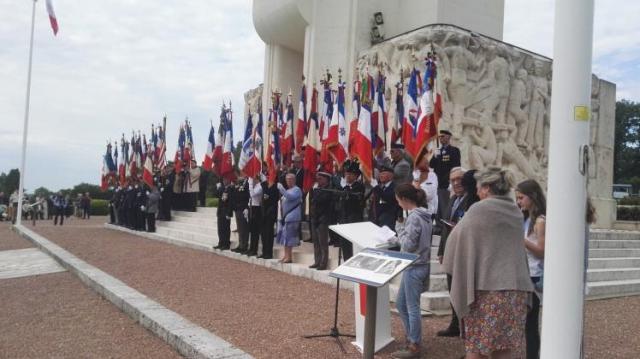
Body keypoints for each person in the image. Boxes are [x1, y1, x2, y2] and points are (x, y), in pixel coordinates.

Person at [443, 167, 534, 358]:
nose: (476, 192)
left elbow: (454, 240)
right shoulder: (516, 212)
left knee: (477, 348)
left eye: (478, 187)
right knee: (507, 349)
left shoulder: (478, 209)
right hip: (516, 291)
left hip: (486, 291)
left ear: (486, 188)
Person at [437, 168, 481, 337]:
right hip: (451, 251)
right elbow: (444, 227)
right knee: (452, 289)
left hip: (464, 252)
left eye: (459, 179)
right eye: (452, 180)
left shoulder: (472, 201)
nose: (456, 183)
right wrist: (442, 250)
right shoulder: (452, 199)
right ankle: (455, 324)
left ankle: (466, 326)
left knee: (463, 290)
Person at [390, 184, 433, 359]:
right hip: (418, 264)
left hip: (414, 265)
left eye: (398, 200)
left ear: (405, 199)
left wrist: (399, 229)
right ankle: (411, 338)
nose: (398, 203)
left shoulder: (414, 217)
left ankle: (414, 345)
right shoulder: (423, 214)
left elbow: (408, 246)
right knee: (401, 304)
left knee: (412, 307)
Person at [515, 179, 546, 359]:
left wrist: (521, 240)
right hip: (526, 273)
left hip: (535, 276)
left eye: (521, 198)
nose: (518, 202)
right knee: (528, 323)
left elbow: (542, 251)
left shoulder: (540, 221)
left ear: (532, 196)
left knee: (531, 324)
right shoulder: (525, 218)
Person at [429, 130, 461, 229]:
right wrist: (435, 156)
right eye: (440, 137)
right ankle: (438, 225)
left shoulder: (454, 150)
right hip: (437, 183)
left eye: (443, 136)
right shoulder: (439, 151)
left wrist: (450, 181)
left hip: (446, 183)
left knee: (445, 205)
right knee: (437, 205)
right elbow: (431, 165)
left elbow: (456, 166)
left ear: (448, 137)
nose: (441, 138)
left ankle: (444, 226)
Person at [338, 159, 365, 260]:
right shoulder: (344, 186)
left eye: (350, 174)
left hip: (354, 219)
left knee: (354, 245)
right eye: (346, 173)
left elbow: (354, 199)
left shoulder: (358, 186)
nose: (348, 176)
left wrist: (345, 188)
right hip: (344, 219)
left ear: (356, 176)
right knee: (345, 244)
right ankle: (346, 262)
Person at [309, 171, 334, 270]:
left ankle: (323, 263)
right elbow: (311, 200)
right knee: (315, 241)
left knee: (323, 242)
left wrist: (316, 192)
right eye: (317, 178)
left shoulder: (329, 189)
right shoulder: (316, 188)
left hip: (323, 218)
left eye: (320, 179)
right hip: (315, 217)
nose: (318, 180)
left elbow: (321, 200)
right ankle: (317, 261)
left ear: (326, 179)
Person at [276, 173, 302, 263]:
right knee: (284, 238)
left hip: (292, 217)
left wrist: (282, 189)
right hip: (285, 218)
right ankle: (286, 256)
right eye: (287, 179)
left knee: (289, 238)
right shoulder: (288, 190)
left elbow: (290, 197)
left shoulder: (297, 190)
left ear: (294, 180)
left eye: (290, 179)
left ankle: (289, 257)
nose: (288, 181)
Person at [370, 166, 400, 233]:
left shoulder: (395, 187)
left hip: (388, 217)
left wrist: (376, 187)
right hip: (376, 216)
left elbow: (388, 198)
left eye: (383, 174)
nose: (381, 176)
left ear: (391, 176)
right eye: (380, 174)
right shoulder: (380, 186)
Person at [260, 174, 279, 259]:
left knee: (269, 234)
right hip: (263, 213)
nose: (267, 178)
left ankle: (269, 253)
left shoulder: (274, 188)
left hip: (270, 214)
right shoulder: (265, 186)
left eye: (269, 177)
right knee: (263, 234)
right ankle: (264, 252)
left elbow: (273, 201)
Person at [231, 176, 250, 253]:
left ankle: (244, 246)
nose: (238, 179)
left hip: (243, 209)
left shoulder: (247, 185)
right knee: (240, 228)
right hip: (237, 209)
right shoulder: (236, 187)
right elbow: (234, 197)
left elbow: (246, 196)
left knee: (244, 228)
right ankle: (240, 244)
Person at [214, 177, 233, 250]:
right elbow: (217, 196)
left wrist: (229, 213)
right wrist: (218, 188)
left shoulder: (230, 189)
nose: (224, 180)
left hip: (226, 210)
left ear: (229, 180)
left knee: (226, 228)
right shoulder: (221, 188)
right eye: (224, 179)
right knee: (220, 228)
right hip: (220, 210)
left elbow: (231, 202)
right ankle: (221, 243)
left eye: (226, 179)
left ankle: (226, 244)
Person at [246, 175, 263, 257]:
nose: (251, 180)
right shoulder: (255, 185)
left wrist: (250, 184)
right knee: (251, 230)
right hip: (251, 207)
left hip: (256, 208)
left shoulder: (260, 186)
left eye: (253, 178)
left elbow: (252, 194)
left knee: (255, 231)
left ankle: (254, 249)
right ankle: (251, 248)